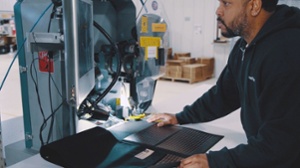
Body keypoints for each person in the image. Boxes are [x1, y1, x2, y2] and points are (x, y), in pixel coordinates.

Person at [147, 0, 300, 167]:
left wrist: (217, 161)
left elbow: (282, 143)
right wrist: (180, 117)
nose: (218, 11)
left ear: (254, 6)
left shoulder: (286, 53)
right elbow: (224, 95)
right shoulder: (245, 45)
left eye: (226, 3)